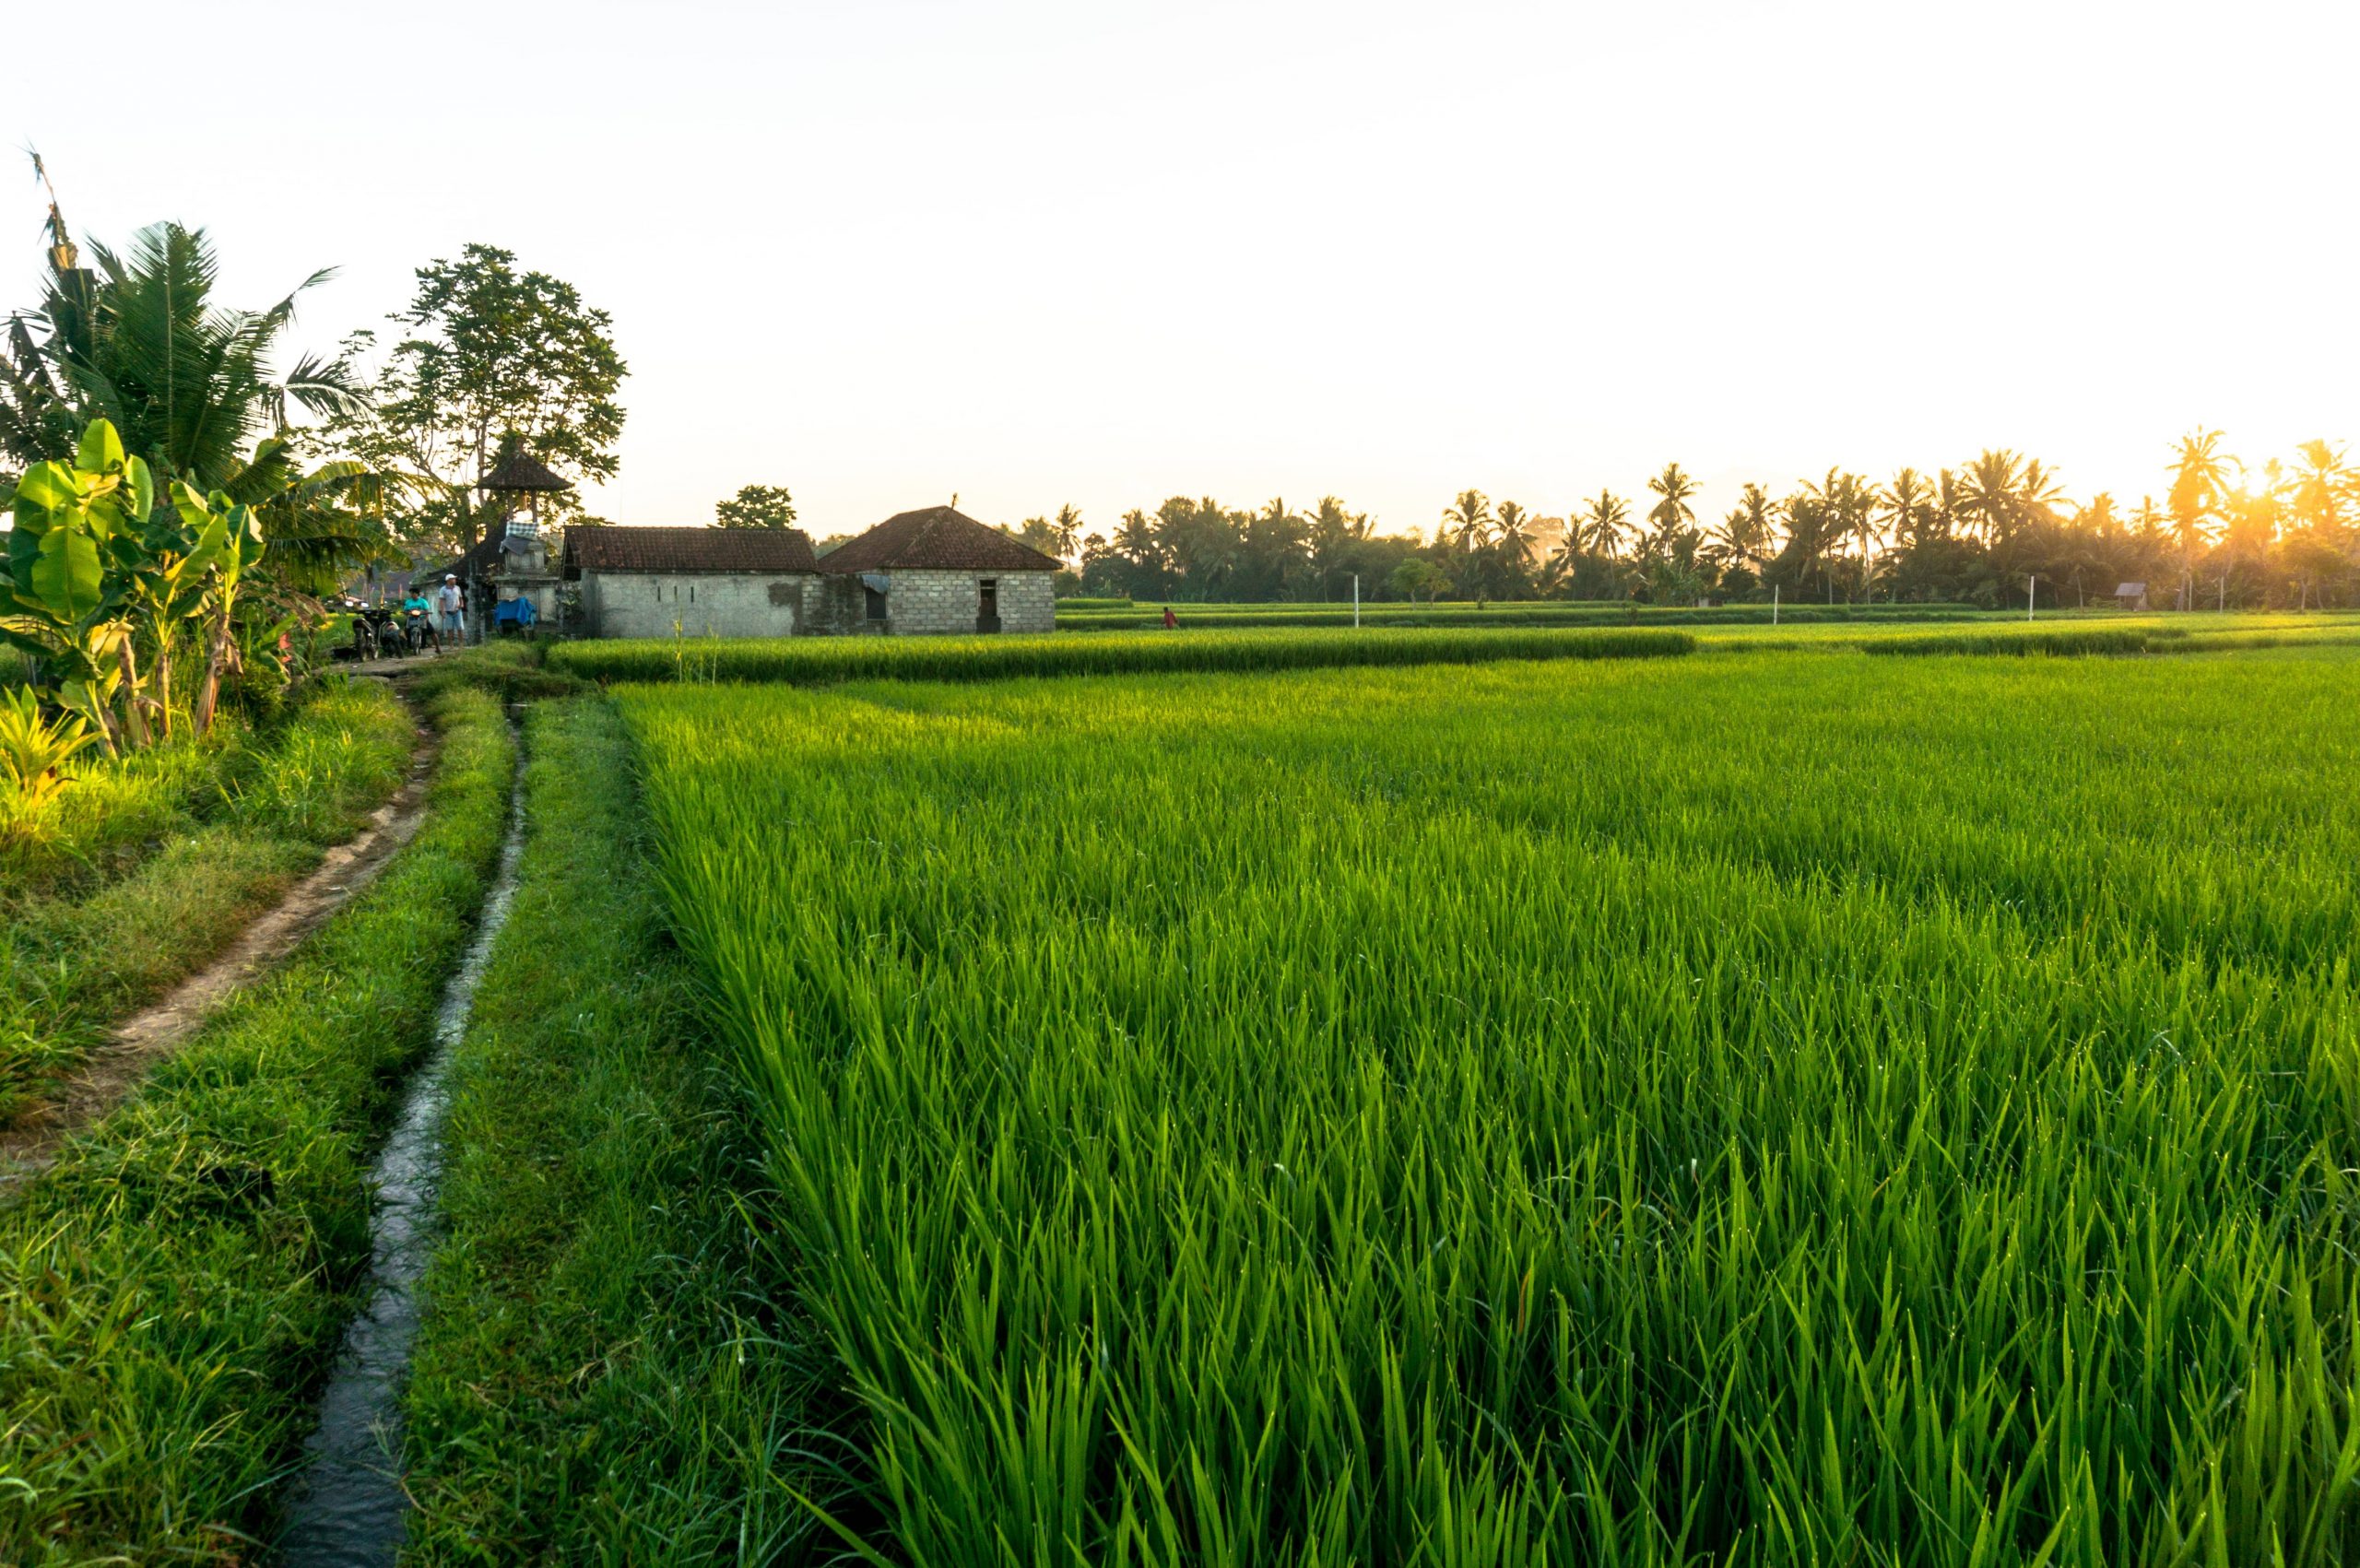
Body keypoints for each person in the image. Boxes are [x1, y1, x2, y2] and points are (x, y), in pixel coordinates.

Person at [435, 574, 465, 647]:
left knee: (460, 628)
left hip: (457, 611)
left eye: (455, 579)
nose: (454, 580)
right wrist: (442, 611)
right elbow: (441, 600)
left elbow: (460, 597)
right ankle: (451, 645)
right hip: (448, 612)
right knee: (449, 629)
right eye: (453, 579)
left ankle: (461, 644)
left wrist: (461, 604)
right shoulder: (443, 589)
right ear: (448, 580)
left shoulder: (457, 588)